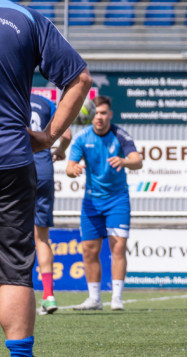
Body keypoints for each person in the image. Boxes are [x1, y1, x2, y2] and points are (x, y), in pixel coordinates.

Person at [0, 0, 92, 355]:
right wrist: (49, 136)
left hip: (10, 161)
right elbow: (79, 79)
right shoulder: (27, 19)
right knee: (14, 271)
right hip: (11, 160)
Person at [66, 96, 142, 311]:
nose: (99, 117)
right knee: (89, 250)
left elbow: (138, 160)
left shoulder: (120, 135)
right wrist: (73, 170)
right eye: (96, 113)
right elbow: (69, 167)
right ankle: (94, 298)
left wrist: (125, 160)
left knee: (117, 247)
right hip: (91, 202)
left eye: (103, 113)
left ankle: (116, 298)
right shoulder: (82, 138)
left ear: (110, 115)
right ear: (91, 115)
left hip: (117, 200)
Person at [30, 93, 73, 315]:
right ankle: (48, 296)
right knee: (42, 238)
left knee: (2, 232)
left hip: (15, 166)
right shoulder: (46, 103)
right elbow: (66, 134)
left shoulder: (6, 96)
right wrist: (60, 152)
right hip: (43, 171)